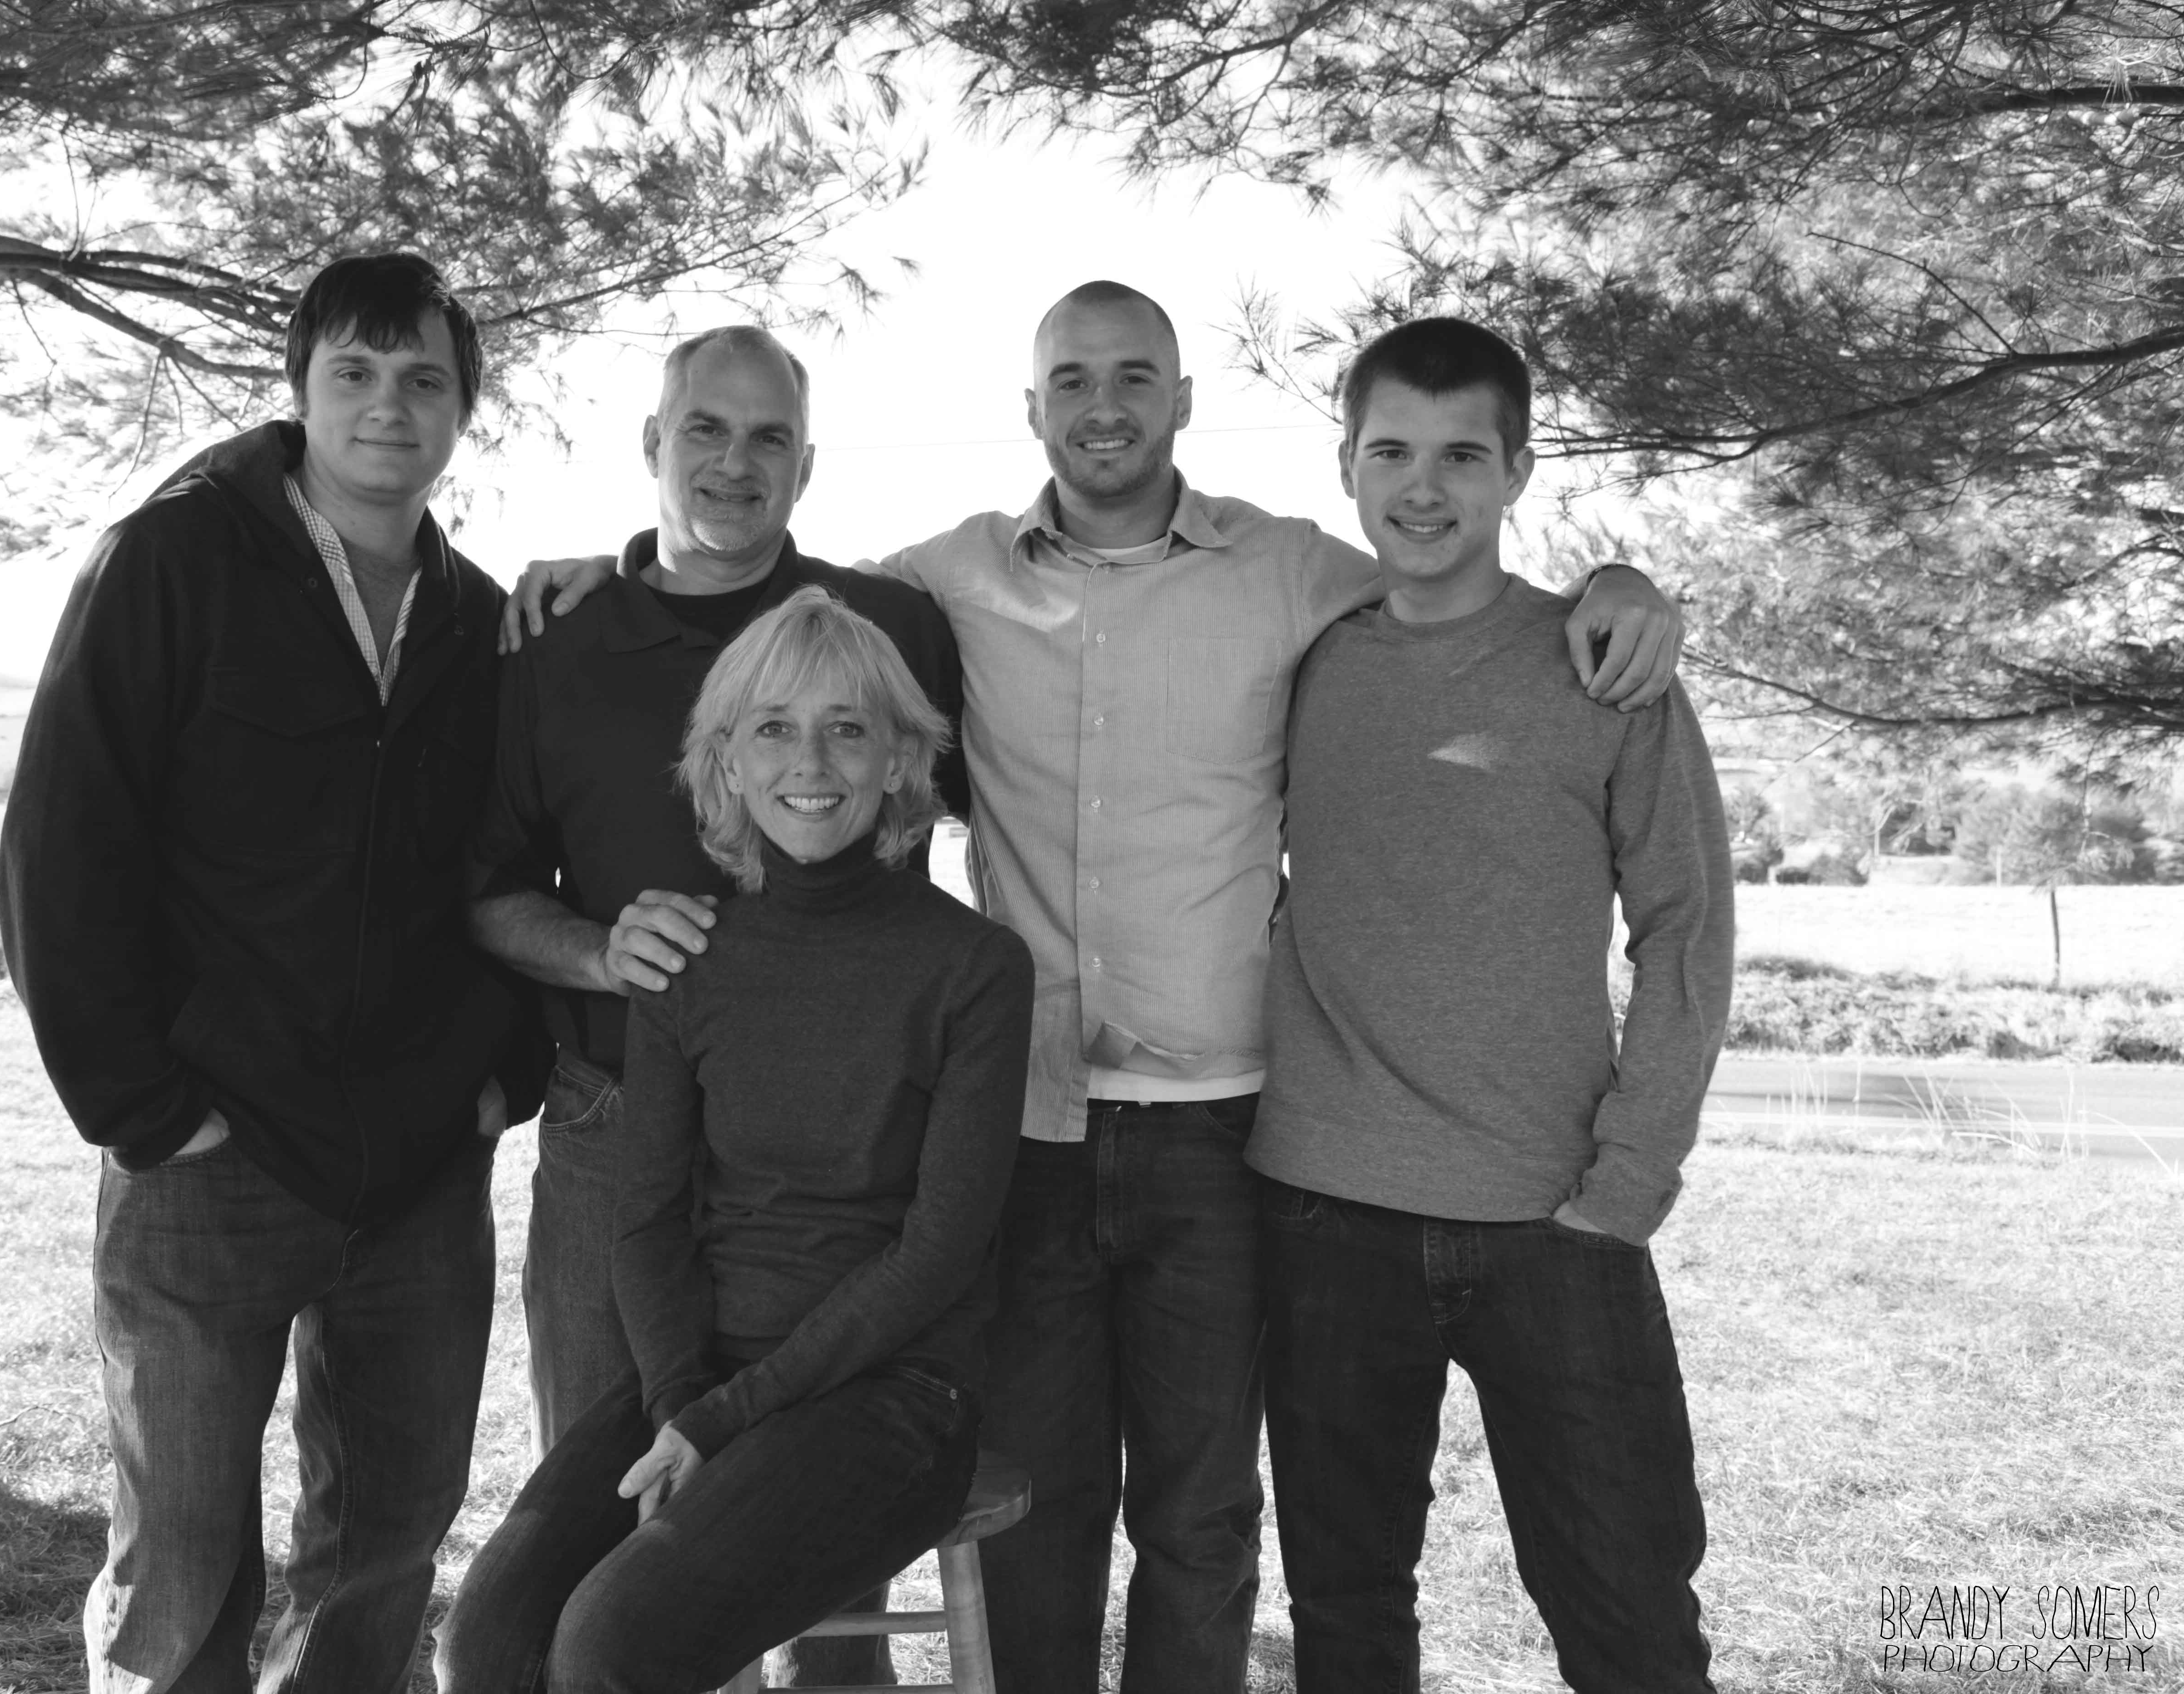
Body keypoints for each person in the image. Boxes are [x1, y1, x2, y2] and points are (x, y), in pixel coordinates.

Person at [503, 281, 1683, 1694]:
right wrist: (615, 568)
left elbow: (1449, 568)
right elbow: (771, 612)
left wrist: (1616, 586)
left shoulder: (1291, 568)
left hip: (1223, 1122)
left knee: (1200, 1513)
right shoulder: (940, 581)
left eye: (1135, 377)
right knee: (1041, 1510)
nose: (1104, 406)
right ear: (1033, 407)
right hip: (1029, 1125)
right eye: (1073, 380)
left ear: (1182, 401)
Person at [1, 252, 546, 1694]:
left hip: (420, 1166)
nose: (389, 406)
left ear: (463, 410)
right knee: (183, 1563)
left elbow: (525, 860)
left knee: (387, 1541)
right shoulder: (169, 563)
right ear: (298, 387)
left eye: (424, 379)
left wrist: (505, 1075)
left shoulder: (482, 621)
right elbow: (63, 844)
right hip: (210, 1150)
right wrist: (145, 1109)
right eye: (354, 373)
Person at [1249, 316, 1732, 1692]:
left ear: (1518, 470)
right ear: (1346, 466)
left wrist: (1627, 1185)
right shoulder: (1303, 663)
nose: (1424, 487)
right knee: (1347, 1619)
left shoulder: (1606, 669)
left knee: (1632, 1624)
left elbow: (1688, 929)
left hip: (1554, 1220)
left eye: (1463, 455)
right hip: (1324, 1213)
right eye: (1391, 452)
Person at [437, 587, 1034, 1693]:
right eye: (773, 728)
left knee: (612, 1644)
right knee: (485, 1644)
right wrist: (680, 1405)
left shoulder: (975, 969)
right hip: (702, 1376)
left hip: (898, 1395)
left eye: (847, 728)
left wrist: (719, 1424)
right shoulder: (690, 956)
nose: (810, 761)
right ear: (726, 762)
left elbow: (939, 1251)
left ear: (901, 759)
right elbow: (647, 1222)